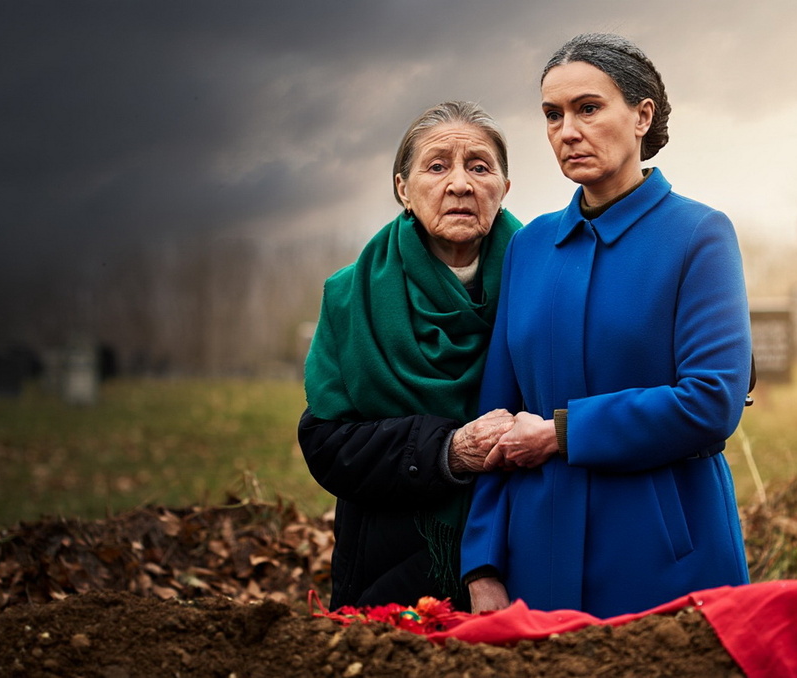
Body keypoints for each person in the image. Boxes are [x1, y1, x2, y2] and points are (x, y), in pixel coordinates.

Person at [461, 33, 753, 617]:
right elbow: (495, 419)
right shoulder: (528, 247)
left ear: (642, 116)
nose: (567, 131)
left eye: (588, 108)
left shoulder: (699, 235)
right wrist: (483, 563)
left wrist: (561, 433)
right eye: (553, 115)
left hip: (665, 554)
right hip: (536, 554)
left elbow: (712, 401)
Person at [300, 101, 529, 611]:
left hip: (526, 559)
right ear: (403, 188)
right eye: (437, 166)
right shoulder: (351, 297)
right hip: (388, 565)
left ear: (504, 188)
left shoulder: (545, 283)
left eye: (479, 167)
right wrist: (446, 450)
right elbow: (327, 443)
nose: (460, 184)